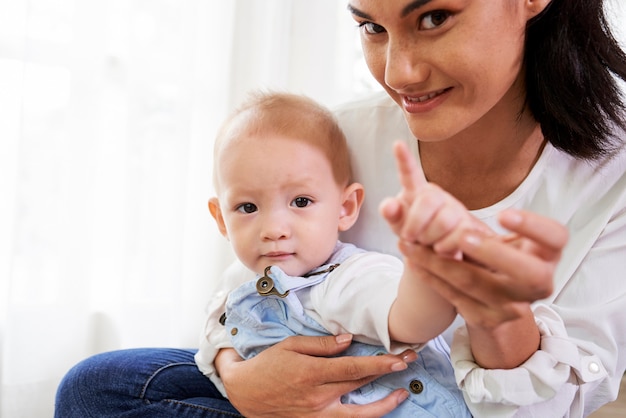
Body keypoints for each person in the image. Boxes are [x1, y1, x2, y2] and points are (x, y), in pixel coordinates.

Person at [55, 0, 626, 417]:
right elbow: (255, 288)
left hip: (432, 406)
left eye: (433, 18)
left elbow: (558, 405)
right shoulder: (341, 135)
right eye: (372, 27)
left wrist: (494, 312)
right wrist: (242, 379)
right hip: (312, 391)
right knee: (95, 386)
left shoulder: (613, 172)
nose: (399, 73)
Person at [201, 90, 474, 417]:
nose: (274, 228)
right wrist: (226, 362)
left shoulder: (345, 277)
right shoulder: (241, 281)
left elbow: (414, 322)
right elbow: (214, 338)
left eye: (300, 202)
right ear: (221, 219)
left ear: (344, 208)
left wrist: (426, 262)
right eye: (247, 207)